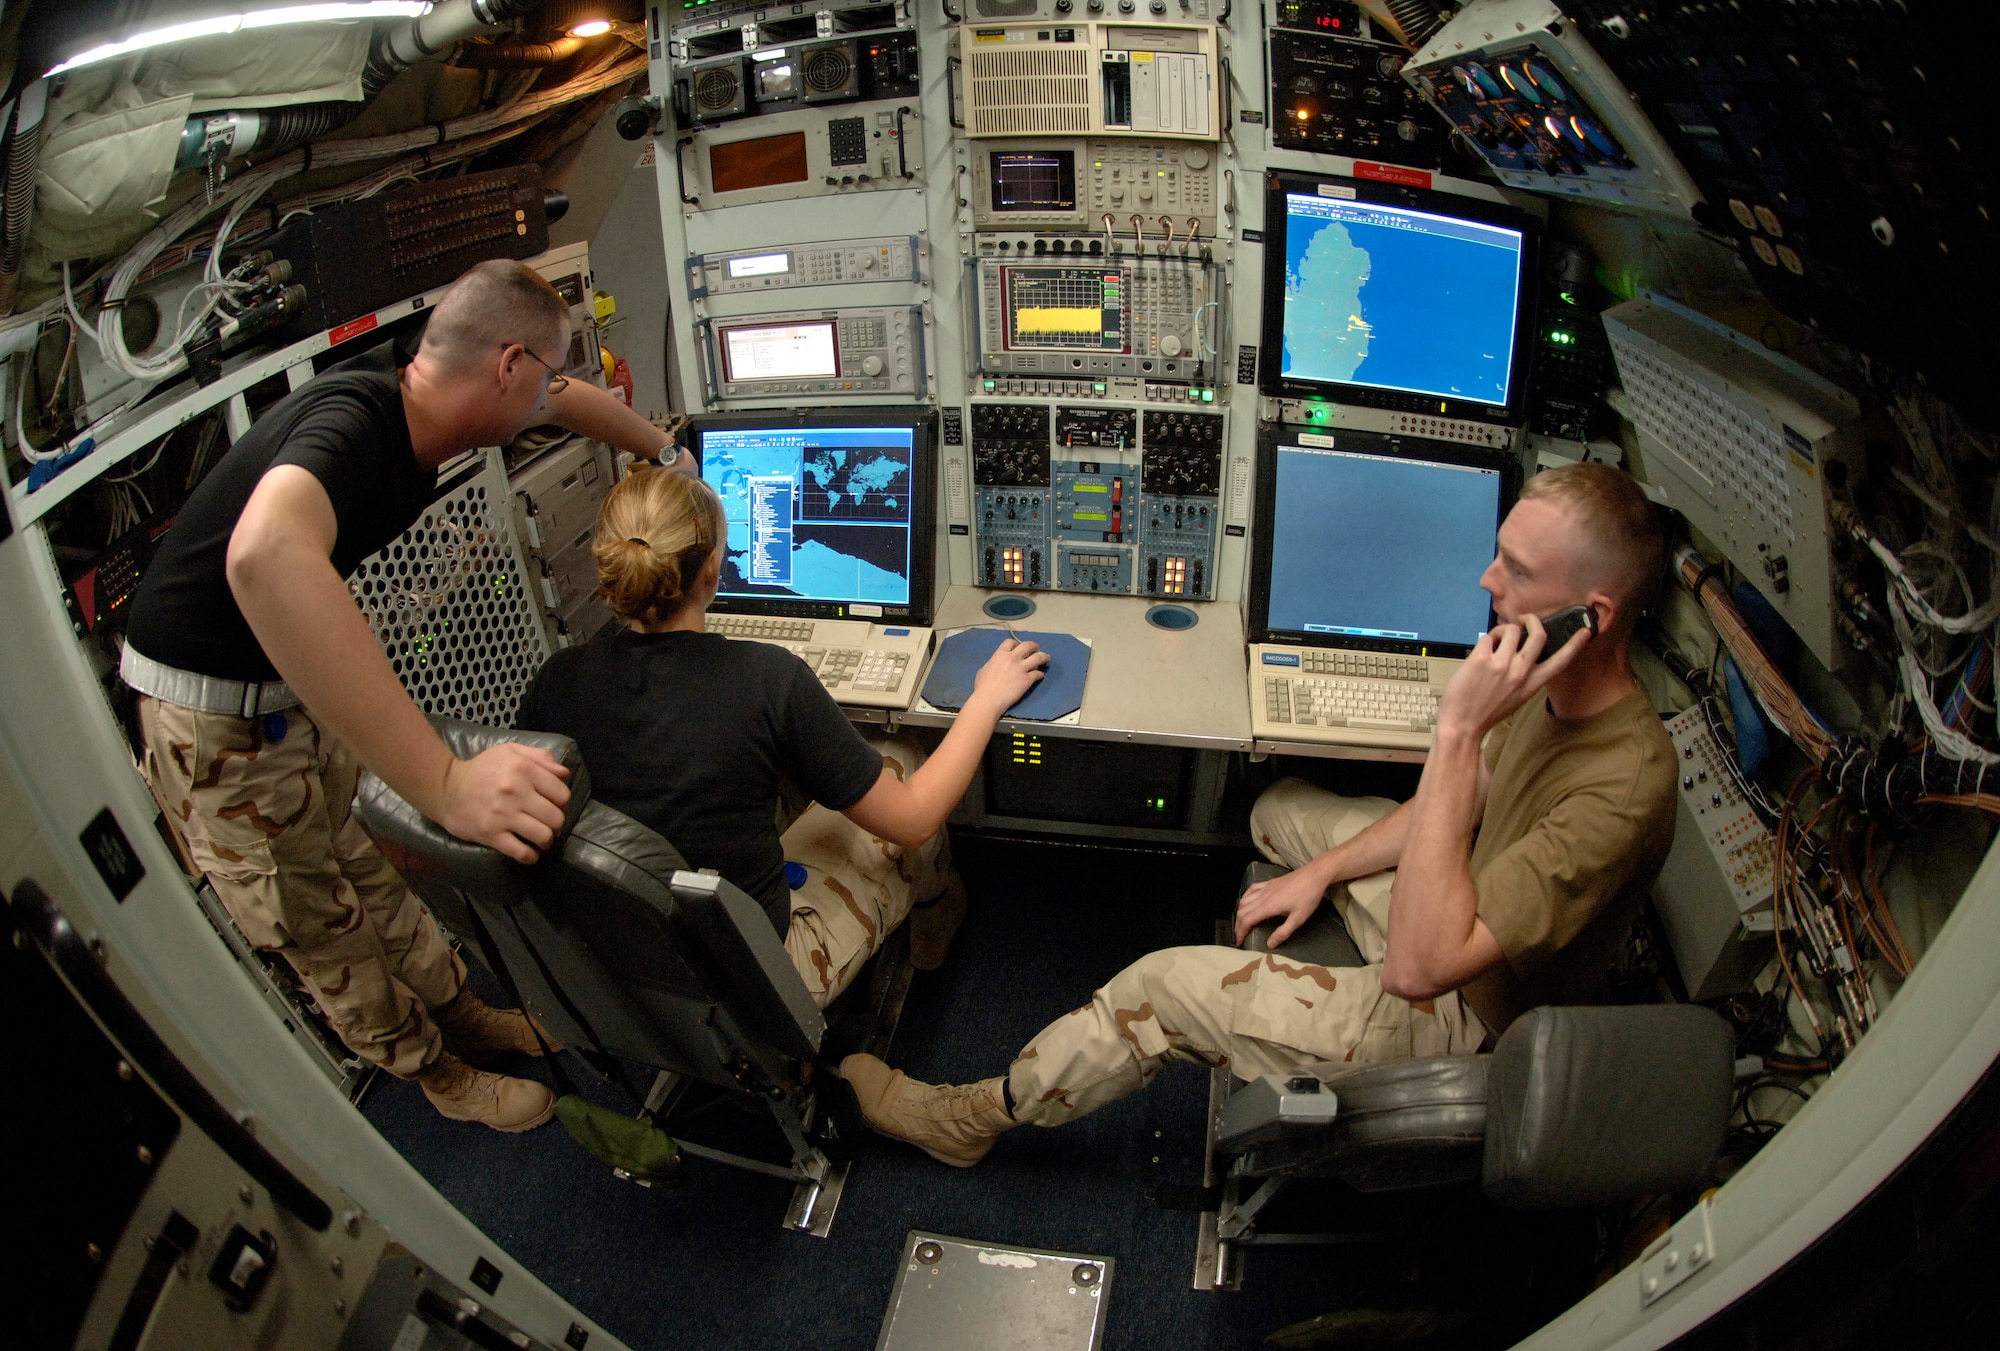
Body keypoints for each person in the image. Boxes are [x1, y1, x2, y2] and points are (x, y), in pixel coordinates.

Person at [842, 462, 1677, 1166]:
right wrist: (1317, 872)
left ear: (1588, 617)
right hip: (1463, 900)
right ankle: (1312, 868)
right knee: (1278, 810)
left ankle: (975, 1118)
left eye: (1518, 572)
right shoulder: (1551, 684)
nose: (1487, 583)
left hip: (1462, 1008)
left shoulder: (1622, 788)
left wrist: (1458, 727)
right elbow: (1448, 812)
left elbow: (1420, 968)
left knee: (1157, 987)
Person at [126, 260, 691, 1133]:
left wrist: (662, 451)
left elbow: (569, 397)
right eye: (540, 374)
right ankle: (431, 1070)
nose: (552, 393)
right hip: (213, 718)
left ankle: (460, 1012)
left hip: (287, 683)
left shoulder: (429, 383)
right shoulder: (352, 424)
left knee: (367, 866)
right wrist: (445, 784)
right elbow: (264, 556)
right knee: (316, 915)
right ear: (505, 366)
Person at [513, 468, 1049, 1008]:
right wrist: (985, 700)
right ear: (712, 571)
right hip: (756, 977)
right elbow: (911, 821)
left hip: (614, 964)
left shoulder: (555, 681)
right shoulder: (764, 679)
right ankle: (936, 915)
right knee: (899, 753)